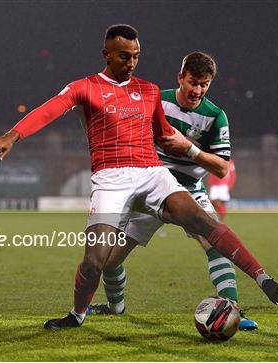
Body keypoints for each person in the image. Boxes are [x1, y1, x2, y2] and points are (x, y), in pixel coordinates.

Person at [0, 24, 278, 331]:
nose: (131, 62)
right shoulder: (84, 87)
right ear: (106, 54)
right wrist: (14, 134)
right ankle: (77, 314)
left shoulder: (149, 91)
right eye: (124, 56)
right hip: (110, 179)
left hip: (152, 173)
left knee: (205, 224)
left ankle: (262, 280)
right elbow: (50, 108)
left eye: (136, 56)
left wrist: (188, 147)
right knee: (96, 262)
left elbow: (162, 133)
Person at [87, 52, 258, 330]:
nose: (197, 90)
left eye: (204, 84)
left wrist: (189, 148)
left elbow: (222, 169)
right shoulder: (155, 100)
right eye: (193, 82)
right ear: (181, 77)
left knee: (215, 244)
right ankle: (115, 306)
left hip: (190, 192)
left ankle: (232, 311)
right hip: (151, 190)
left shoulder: (215, 117)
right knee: (108, 261)